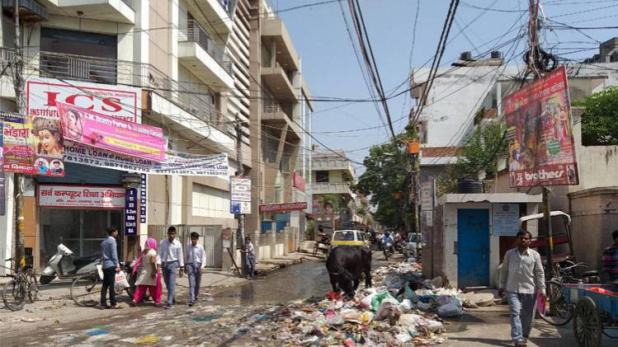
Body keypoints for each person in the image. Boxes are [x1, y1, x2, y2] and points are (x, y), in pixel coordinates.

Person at [499, 230, 546, 347]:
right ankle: (518, 338)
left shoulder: (535, 255)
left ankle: (524, 335)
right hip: (512, 288)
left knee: (528, 315)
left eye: (526, 238)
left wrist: (542, 289)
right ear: (517, 240)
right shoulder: (509, 254)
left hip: (530, 289)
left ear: (530, 241)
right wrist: (501, 285)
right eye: (521, 238)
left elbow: (539, 273)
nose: (523, 240)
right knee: (515, 312)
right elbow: (504, 270)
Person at [131, 238, 162, 306]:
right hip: (151, 272)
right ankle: (157, 301)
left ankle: (135, 299)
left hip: (144, 272)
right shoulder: (152, 252)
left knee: (141, 288)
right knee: (155, 288)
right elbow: (153, 262)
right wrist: (154, 271)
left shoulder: (144, 252)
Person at [159, 226, 184, 308]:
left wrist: (181, 267)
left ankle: (169, 302)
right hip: (164, 264)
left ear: (175, 234)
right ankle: (172, 298)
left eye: (173, 234)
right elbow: (160, 254)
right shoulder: (163, 242)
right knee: (167, 283)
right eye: (170, 234)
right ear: (167, 234)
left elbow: (180, 255)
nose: (171, 235)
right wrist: (158, 263)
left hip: (173, 264)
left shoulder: (178, 244)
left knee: (171, 283)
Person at [100, 227, 121, 310]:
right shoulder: (112, 241)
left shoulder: (104, 241)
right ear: (113, 232)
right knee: (111, 285)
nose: (117, 233)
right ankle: (113, 303)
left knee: (105, 285)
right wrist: (117, 265)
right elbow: (114, 254)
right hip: (111, 265)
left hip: (104, 265)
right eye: (116, 232)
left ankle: (103, 303)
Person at [185, 232, 207, 306]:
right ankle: (192, 299)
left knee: (197, 283)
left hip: (198, 265)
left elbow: (203, 257)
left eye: (195, 239)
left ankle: (196, 295)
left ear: (197, 239)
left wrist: (202, 267)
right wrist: (185, 266)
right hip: (190, 265)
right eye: (192, 239)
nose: (193, 240)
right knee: (191, 284)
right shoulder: (188, 247)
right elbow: (186, 256)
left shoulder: (200, 247)